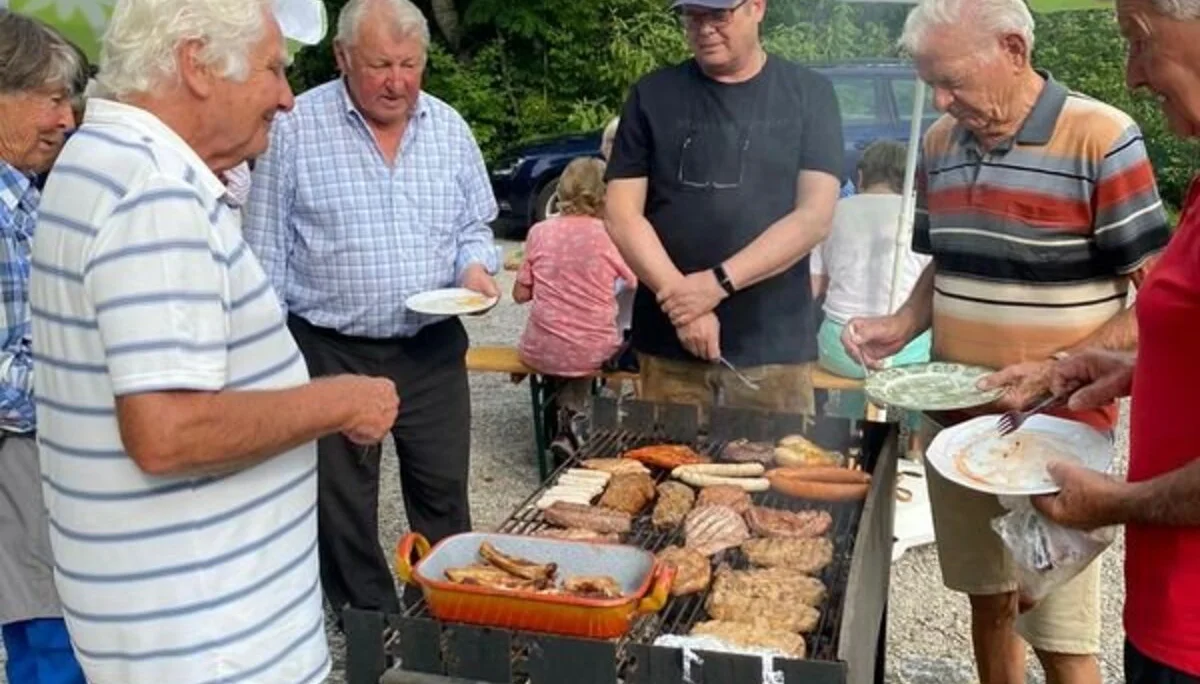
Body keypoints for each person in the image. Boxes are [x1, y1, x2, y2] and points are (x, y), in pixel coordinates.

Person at [30, 0, 399, 681]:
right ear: (197, 64)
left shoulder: (95, 161)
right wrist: (340, 400)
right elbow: (168, 432)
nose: (288, 99)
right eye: (273, 71)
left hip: (165, 627)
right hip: (213, 648)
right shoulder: (153, 194)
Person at [842, 1, 1171, 683]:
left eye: (953, 80)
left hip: (1055, 438)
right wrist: (901, 324)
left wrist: (1055, 368)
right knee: (987, 603)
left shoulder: (1103, 137)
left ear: (1014, 49)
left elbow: (1156, 298)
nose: (941, 99)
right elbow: (949, 264)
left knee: (1057, 630)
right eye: (930, 82)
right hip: (955, 428)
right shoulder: (937, 143)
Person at [244, 0, 500, 620]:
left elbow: (476, 224)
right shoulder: (294, 128)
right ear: (342, 58)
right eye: (381, 64)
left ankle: (444, 620)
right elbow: (265, 252)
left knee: (442, 495)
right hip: (332, 347)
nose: (397, 81)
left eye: (410, 64)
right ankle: (370, 628)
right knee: (342, 505)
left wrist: (475, 267)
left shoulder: (448, 127)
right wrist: (266, 366)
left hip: (432, 348)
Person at [1033, 1, 1200, 681]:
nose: (1131, 76)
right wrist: (1137, 365)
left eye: (1139, 42)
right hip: (1168, 607)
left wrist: (1112, 503)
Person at [605, 0, 843, 417]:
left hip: (774, 349)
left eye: (718, 15)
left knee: (776, 474)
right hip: (667, 342)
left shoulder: (810, 94)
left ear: (757, 8)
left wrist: (714, 286)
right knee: (662, 471)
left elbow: (814, 218)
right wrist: (682, 304)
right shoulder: (652, 94)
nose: (704, 28)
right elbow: (622, 215)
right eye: (692, 16)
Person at [0, 12, 86, 684]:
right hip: (22, 459)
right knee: (51, 643)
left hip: (38, 457)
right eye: (54, 99)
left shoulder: (24, 197)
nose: (67, 119)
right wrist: (92, 395)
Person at [514, 157, 635, 456]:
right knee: (596, 348)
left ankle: (567, 421)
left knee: (561, 342)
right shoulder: (610, 235)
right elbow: (634, 281)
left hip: (540, 349)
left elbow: (519, 295)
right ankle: (580, 425)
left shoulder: (539, 232)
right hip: (594, 350)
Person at [811, 139, 931, 378]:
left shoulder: (834, 213)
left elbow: (814, 287)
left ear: (861, 175)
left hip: (840, 347)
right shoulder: (921, 217)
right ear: (911, 179)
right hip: (907, 351)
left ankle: (848, 416)